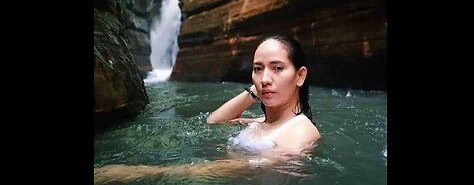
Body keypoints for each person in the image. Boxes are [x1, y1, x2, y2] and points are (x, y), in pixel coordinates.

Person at [94, 35, 321, 183]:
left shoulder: (301, 131)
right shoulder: (262, 122)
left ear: (300, 75)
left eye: (278, 68)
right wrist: (256, 90)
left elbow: (252, 166)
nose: (265, 78)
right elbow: (214, 122)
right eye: (258, 69)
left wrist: (140, 173)